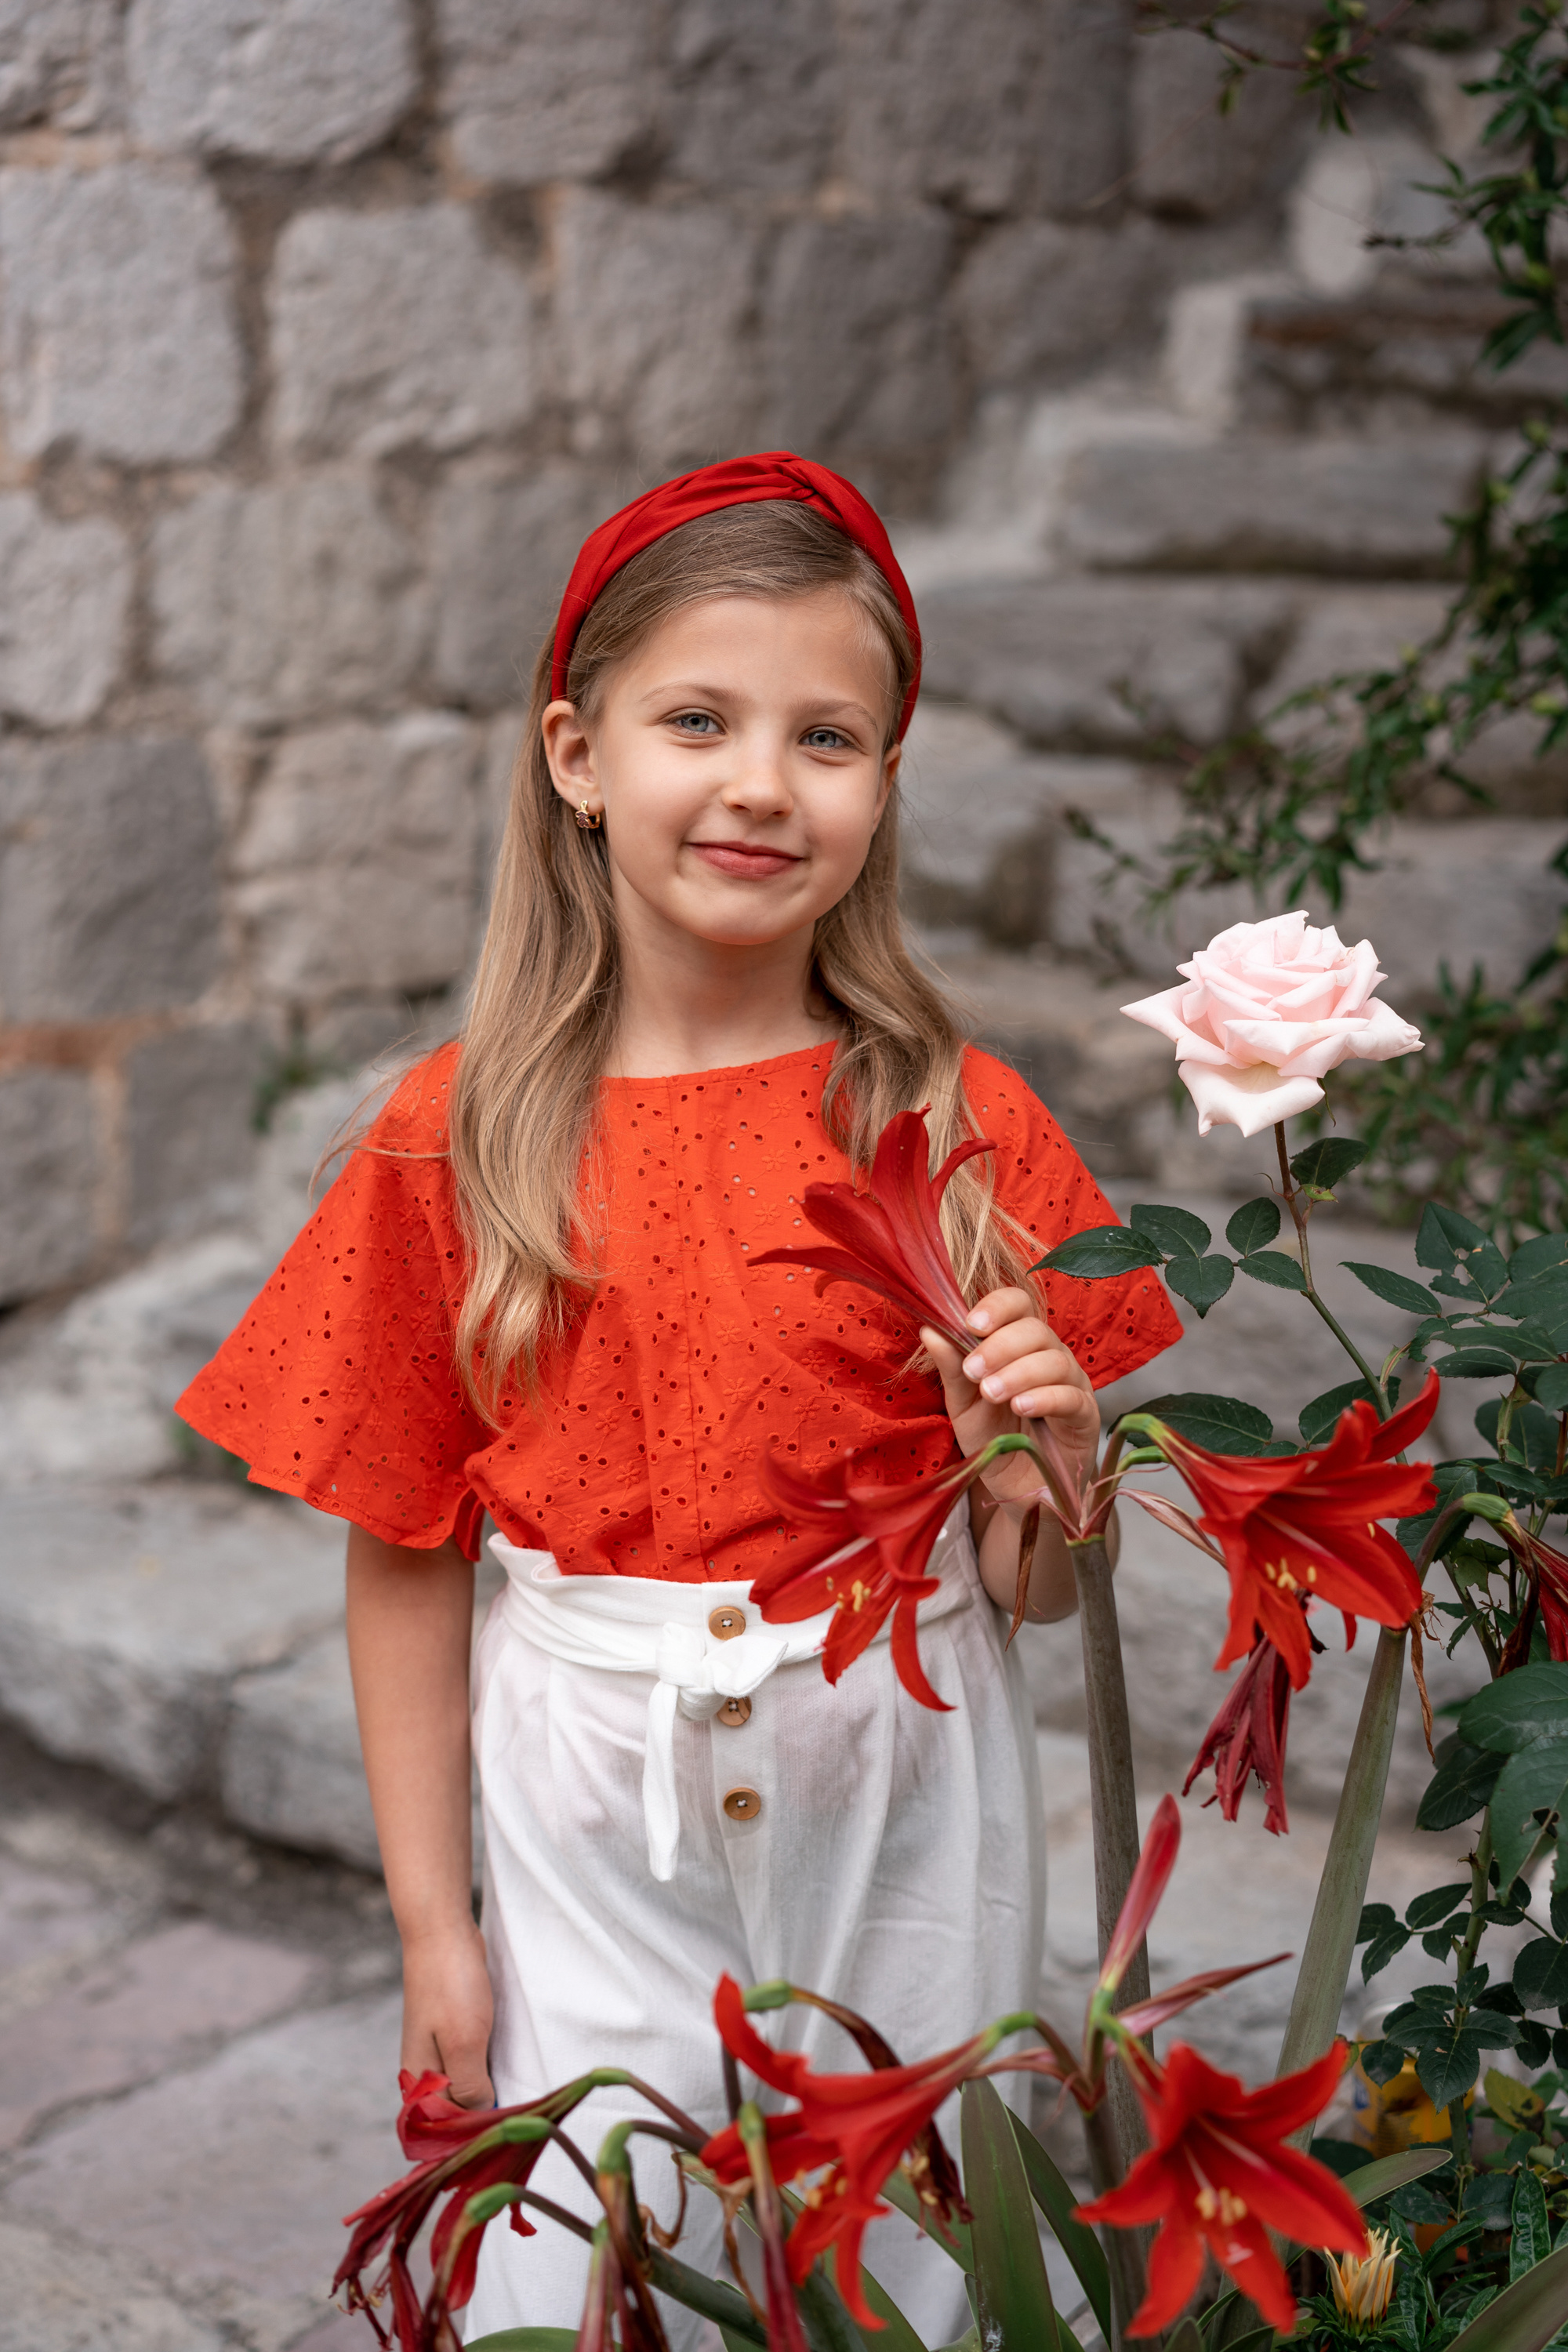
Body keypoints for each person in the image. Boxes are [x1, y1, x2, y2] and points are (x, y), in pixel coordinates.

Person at [178, 452, 1180, 2345]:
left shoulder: (956, 1126)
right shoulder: (453, 1141)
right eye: (696, 720)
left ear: (883, 785)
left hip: (908, 1776)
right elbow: (402, 1551)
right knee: (592, 2249)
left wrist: (1057, 1466)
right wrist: (431, 1927)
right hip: (584, 1800)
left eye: (827, 736)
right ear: (576, 754)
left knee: (917, 2242)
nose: (756, 782)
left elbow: (1036, 1586)